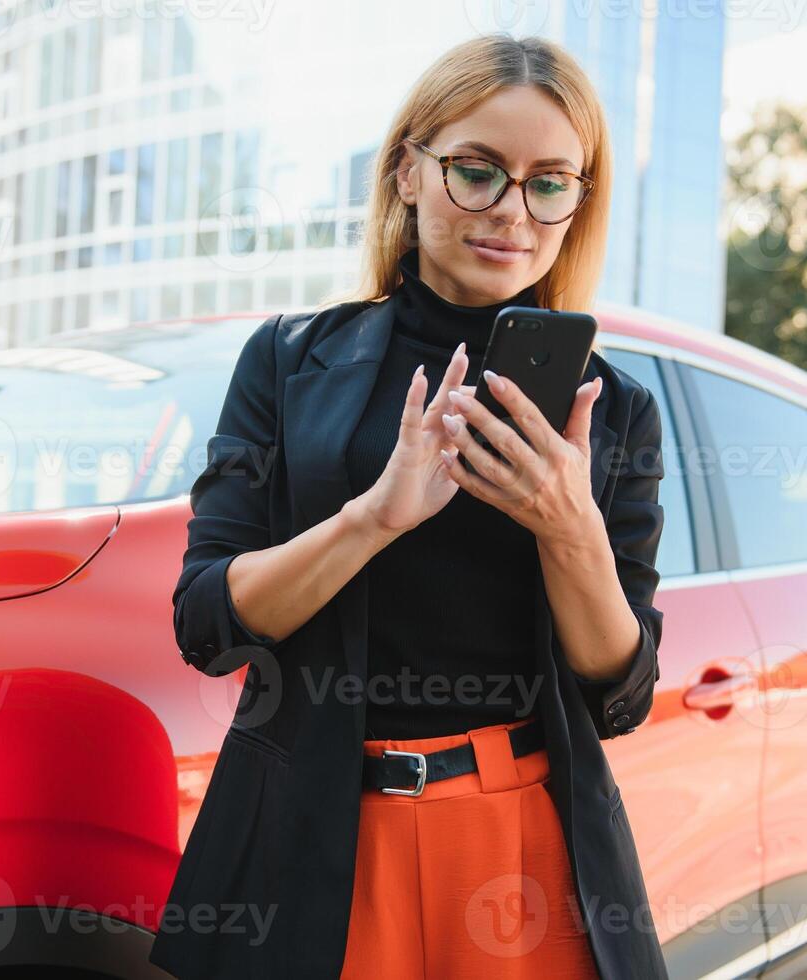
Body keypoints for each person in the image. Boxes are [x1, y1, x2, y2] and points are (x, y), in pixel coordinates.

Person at [149, 33, 668, 980]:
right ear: (407, 172)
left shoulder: (615, 409)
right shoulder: (287, 361)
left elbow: (621, 691)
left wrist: (569, 526)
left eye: (551, 182)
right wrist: (375, 515)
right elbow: (206, 622)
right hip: (312, 842)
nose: (513, 211)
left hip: (520, 844)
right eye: (478, 170)